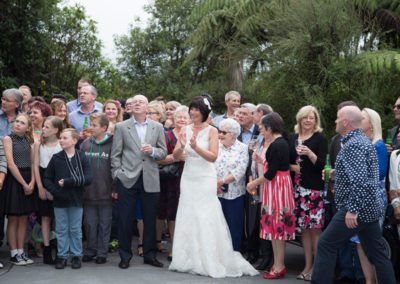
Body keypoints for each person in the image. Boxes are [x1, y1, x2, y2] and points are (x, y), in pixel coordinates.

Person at [169, 96, 258, 278]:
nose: (193, 112)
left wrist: (195, 146)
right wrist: (183, 145)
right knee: (188, 212)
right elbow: (176, 155)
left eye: (196, 109)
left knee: (205, 214)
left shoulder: (212, 131)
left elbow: (213, 157)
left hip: (205, 175)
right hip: (188, 176)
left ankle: (208, 257)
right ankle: (186, 257)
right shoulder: (185, 129)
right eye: (191, 109)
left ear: (204, 112)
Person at [311, 106, 396, 284]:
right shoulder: (362, 141)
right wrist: (338, 174)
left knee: (326, 244)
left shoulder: (353, 145)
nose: (334, 121)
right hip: (369, 208)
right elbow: (364, 175)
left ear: (345, 122)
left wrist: (353, 210)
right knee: (378, 253)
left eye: (337, 118)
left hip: (357, 208)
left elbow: (360, 182)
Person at [110, 94, 167, 269]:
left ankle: (150, 255)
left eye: (140, 102)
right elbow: (115, 154)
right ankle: (125, 256)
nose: (136, 104)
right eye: (134, 102)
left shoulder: (157, 127)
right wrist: (118, 174)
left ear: (147, 107)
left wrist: (152, 151)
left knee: (150, 218)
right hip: (127, 178)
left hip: (149, 178)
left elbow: (163, 152)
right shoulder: (121, 127)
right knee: (125, 219)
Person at [247, 112, 296, 279]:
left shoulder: (278, 144)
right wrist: (261, 160)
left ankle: (279, 265)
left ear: (269, 127)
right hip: (275, 187)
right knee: (274, 228)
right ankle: (277, 264)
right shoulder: (278, 143)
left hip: (277, 188)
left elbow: (270, 174)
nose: (260, 129)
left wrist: (253, 183)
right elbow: (275, 165)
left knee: (278, 228)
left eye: (262, 126)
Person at [43, 128, 93, 269]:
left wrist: (68, 182)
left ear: (74, 141)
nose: (61, 140)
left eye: (65, 138)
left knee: (75, 229)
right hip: (60, 201)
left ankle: (76, 256)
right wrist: (56, 192)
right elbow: (47, 178)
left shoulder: (82, 157)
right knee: (61, 229)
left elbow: (89, 178)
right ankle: (62, 256)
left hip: (76, 200)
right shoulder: (56, 158)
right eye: (61, 138)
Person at [289, 105, 328, 280]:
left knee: (315, 230)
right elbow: (286, 162)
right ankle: (307, 266)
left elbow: (322, 166)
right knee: (304, 229)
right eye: (304, 117)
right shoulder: (293, 138)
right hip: (297, 189)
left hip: (313, 190)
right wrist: (294, 167)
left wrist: (310, 153)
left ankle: (317, 270)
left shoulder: (320, 139)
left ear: (315, 120)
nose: (307, 120)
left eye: (311, 117)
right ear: (299, 119)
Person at [351, 107, 388, 284]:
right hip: (360, 197)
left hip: (374, 198)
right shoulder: (361, 144)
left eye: (362, 119)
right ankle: (368, 280)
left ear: (371, 124)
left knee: (372, 243)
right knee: (360, 242)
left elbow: (379, 174)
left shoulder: (379, 146)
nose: (359, 121)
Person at [156, 106, 190, 261]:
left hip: (189, 178)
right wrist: (176, 157)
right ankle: (165, 245)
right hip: (169, 179)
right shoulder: (166, 135)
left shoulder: (193, 135)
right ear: (173, 119)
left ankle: (179, 246)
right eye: (179, 117)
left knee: (181, 213)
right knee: (167, 212)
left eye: (185, 117)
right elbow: (158, 159)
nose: (182, 120)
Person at [80, 113, 114, 264]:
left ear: (104, 128)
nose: (90, 128)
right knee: (89, 224)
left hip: (107, 193)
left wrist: (116, 188)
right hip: (88, 193)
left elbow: (116, 167)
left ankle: (102, 252)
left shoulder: (113, 144)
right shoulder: (85, 144)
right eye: (91, 125)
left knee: (105, 224)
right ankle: (90, 250)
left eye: (94, 125)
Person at [3, 113, 36, 265]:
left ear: (28, 127)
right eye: (16, 121)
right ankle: (14, 252)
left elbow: (33, 163)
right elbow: (10, 164)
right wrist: (23, 183)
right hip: (15, 180)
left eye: (22, 123)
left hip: (28, 177)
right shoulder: (8, 139)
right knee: (14, 217)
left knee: (24, 217)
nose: (17, 124)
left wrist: (32, 182)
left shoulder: (30, 141)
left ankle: (22, 251)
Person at [33, 116, 64, 264]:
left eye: (47, 127)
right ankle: (46, 249)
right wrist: (39, 187)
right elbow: (36, 166)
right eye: (43, 126)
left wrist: (55, 190)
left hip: (58, 183)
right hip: (43, 182)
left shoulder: (61, 144)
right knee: (45, 217)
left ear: (56, 130)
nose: (43, 129)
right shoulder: (39, 144)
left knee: (58, 217)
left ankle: (59, 249)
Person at [215, 118, 248, 251]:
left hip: (234, 195)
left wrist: (221, 181)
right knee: (217, 225)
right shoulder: (215, 146)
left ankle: (234, 253)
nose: (220, 135)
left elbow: (239, 171)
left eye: (224, 132)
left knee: (233, 225)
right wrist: (215, 182)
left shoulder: (242, 148)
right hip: (215, 192)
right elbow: (208, 164)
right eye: (219, 131)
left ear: (234, 134)